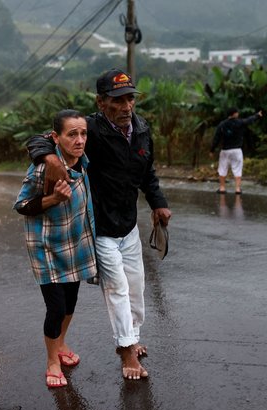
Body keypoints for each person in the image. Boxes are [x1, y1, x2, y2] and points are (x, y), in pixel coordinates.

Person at [27, 69, 171, 380]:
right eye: (117, 100)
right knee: (116, 288)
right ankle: (126, 350)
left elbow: (148, 174)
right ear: (101, 102)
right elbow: (40, 139)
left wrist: (158, 202)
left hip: (128, 225)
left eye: (129, 98)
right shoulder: (88, 130)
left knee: (136, 287)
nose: (125, 106)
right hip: (100, 228)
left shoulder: (142, 129)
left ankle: (132, 335)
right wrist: (49, 158)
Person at [14, 109, 97, 389]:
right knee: (56, 307)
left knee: (70, 303)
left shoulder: (83, 162)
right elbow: (21, 205)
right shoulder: (43, 168)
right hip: (46, 249)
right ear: (56, 137)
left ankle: (61, 344)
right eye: (71, 134)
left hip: (75, 246)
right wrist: (52, 199)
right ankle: (52, 360)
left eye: (83, 133)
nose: (79, 139)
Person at [210, 107, 263, 194]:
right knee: (237, 169)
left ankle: (222, 188)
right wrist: (257, 115)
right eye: (237, 112)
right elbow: (249, 120)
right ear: (234, 114)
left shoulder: (222, 124)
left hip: (225, 150)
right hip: (236, 150)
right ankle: (237, 189)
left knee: (222, 169)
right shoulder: (240, 122)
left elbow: (216, 138)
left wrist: (212, 150)